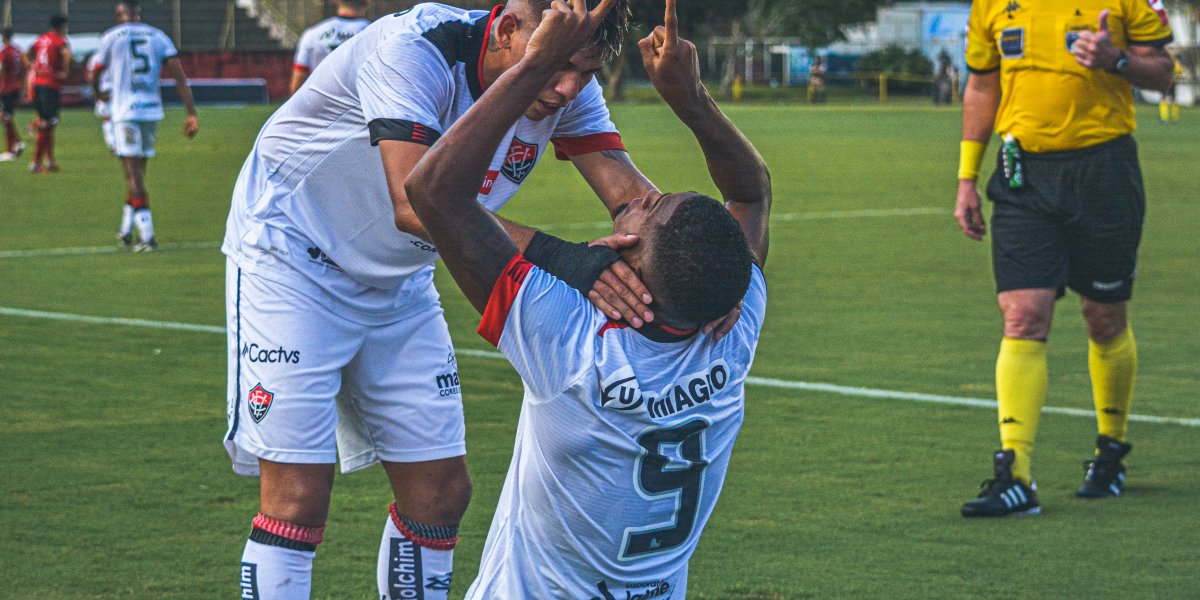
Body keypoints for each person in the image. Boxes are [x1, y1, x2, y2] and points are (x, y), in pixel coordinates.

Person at [222, 0, 748, 597]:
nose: (570, 87)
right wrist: (565, 258)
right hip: (294, 259)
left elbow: (631, 200)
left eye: (587, 71)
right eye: (559, 65)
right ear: (506, 28)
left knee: (441, 494)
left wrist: (703, 274)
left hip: (401, 279)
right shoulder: (414, 50)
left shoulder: (567, 89)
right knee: (297, 499)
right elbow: (416, 204)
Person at [404, 0, 769, 593]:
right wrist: (691, 98)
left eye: (649, 210)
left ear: (628, 257)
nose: (641, 197)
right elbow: (750, 196)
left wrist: (535, 63)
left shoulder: (571, 340)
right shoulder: (733, 324)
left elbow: (434, 193)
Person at [955, 0, 1175, 517]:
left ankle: (1110, 449)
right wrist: (967, 175)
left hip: (1104, 170)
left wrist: (1116, 60)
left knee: (1104, 317)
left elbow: (1164, 74)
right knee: (1023, 315)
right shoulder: (989, 5)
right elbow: (983, 85)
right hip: (1021, 173)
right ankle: (1016, 476)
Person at [89, 0, 199, 252]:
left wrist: (99, 92)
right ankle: (126, 229)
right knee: (138, 172)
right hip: (151, 111)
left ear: (119, 14)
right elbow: (179, 76)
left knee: (132, 173)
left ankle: (147, 236)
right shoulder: (158, 35)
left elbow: (95, 72)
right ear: (138, 13)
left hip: (126, 111)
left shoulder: (111, 36)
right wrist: (190, 112)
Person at [290, 0, 371, 95]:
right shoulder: (380, 33)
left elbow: (297, 84)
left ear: (335, 1)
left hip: (322, 104)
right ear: (367, 1)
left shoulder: (312, 34)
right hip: (361, 104)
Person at [26, 14, 71, 173]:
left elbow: (27, 54)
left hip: (38, 83)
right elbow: (67, 55)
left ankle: (49, 161)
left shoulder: (41, 39)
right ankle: (36, 163)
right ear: (61, 26)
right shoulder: (59, 40)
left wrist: (33, 66)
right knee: (46, 122)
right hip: (50, 85)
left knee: (49, 122)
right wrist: (64, 72)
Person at [0, 27, 26, 161]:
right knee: (6, 116)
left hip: (5, 88)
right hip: (15, 87)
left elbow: (2, 70)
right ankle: (14, 144)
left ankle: (14, 145)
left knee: (5, 116)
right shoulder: (17, 51)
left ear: (3, 37)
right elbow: (23, 69)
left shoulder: (5, 52)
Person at [87, 51, 116, 154]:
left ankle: (113, 144)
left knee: (107, 118)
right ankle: (116, 144)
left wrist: (97, 93)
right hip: (118, 89)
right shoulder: (121, 52)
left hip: (104, 89)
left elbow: (91, 75)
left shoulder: (96, 57)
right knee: (115, 117)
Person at [1159, 49, 1182, 124]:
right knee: (1173, 99)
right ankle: (1174, 118)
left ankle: (1164, 118)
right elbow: (1179, 72)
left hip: (1166, 82)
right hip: (1173, 82)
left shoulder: (1167, 62)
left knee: (1164, 98)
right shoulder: (1176, 62)